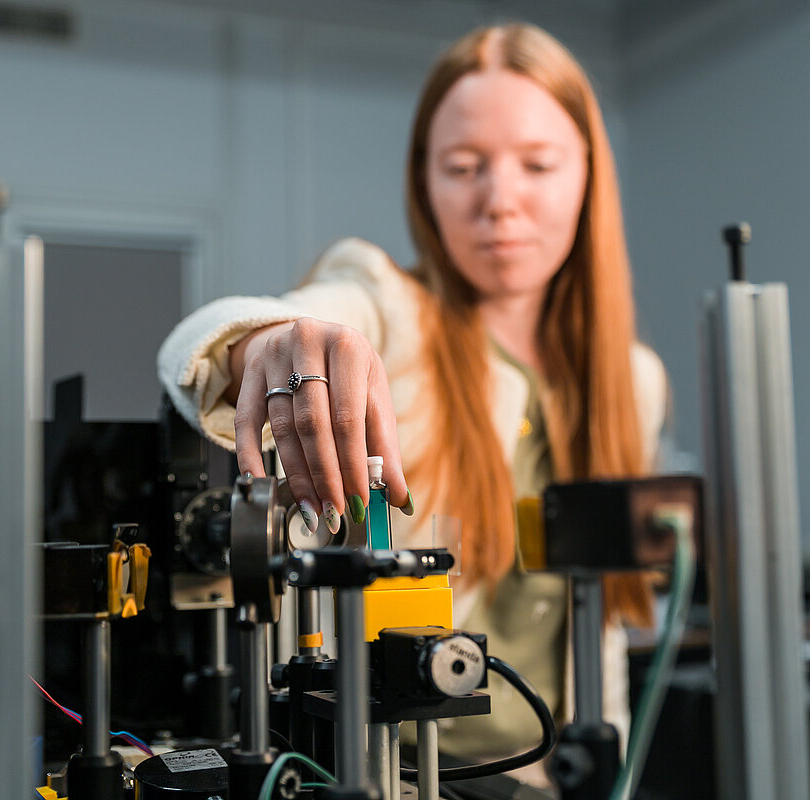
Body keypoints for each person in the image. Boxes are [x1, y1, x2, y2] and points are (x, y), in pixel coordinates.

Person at [158, 21, 667, 789]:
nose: (500, 201)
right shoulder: (385, 306)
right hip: (400, 772)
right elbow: (200, 343)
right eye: (464, 167)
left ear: (589, 176)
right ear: (424, 182)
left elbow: (604, 639)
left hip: (546, 777)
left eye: (537, 164)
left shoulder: (632, 380)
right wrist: (267, 341)